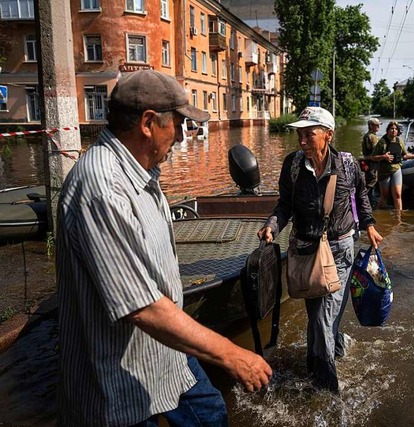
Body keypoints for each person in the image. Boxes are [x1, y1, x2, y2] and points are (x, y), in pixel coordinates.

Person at [56, 70, 272, 426]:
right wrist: (232, 354)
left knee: (210, 415)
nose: (183, 135)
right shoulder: (101, 188)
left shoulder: (140, 172)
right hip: (119, 375)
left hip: (166, 351)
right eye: (179, 124)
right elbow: (142, 308)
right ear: (148, 123)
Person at [257, 106, 384, 392]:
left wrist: (369, 224)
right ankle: (336, 348)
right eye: (299, 134)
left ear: (328, 135)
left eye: (308, 134)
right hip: (305, 251)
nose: (301, 141)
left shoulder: (348, 165)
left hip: (340, 249)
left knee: (322, 317)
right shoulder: (292, 165)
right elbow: (285, 205)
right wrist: (272, 226)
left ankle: (326, 387)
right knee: (316, 315)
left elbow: (360, 195)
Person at [371, 121, 414, 211]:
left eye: (396, 129)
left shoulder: (399, 141)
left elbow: (405, 155)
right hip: (384, 171)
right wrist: (384, 156)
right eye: (392, 128)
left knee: (398, 194)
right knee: (385, 196)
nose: (394, 130)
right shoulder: (382, 142)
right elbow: (373, 157)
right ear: (387, 130)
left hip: (396, 169)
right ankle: (379, 212)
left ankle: (399, 217)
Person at [361, 117, 381, 205]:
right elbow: (376, 149)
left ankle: (368, 199)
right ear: (371, 126)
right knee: (372, 180)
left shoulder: (367, 135)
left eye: (378, 125)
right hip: (372, 162)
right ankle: (366, 200)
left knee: (370, 180)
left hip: (368, 160)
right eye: (376, 125)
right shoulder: (372, 137)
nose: (378, 127)